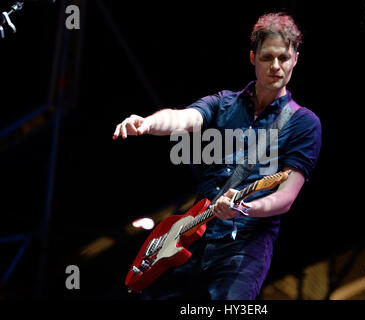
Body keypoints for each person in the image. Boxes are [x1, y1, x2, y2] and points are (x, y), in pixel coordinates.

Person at [112, 12, 321, 300]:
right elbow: (183, 119)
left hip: (244, 249)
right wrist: (147, 123)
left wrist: (245, 209)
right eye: (267, 57)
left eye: (284, 58)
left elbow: (286, 196)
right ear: (252, 57)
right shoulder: (222, 102)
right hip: (191, 237)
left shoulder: (303, 123)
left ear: (295, 58)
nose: (276, 66)